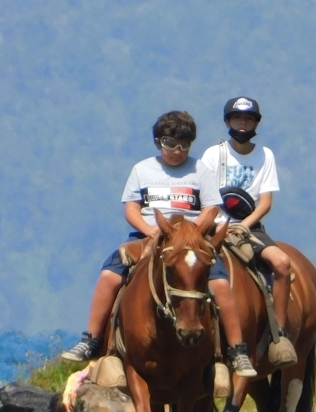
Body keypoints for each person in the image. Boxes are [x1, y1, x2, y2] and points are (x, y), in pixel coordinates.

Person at [61, 111, 257, 377]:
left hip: (191, 240)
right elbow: (131, 208)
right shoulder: (142, 170)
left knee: (220, 283)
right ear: (157, 142)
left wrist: (191, 234)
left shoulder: (200, 170)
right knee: (109, 275)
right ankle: (92, 340)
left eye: (184, 145)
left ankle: (237, 350)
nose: (177, 151)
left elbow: (211, 208)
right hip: (149, 236)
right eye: (169, 143)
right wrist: (149, 229)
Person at [198, 96, 297, 368]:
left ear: (256, 123)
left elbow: (265, 201)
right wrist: (217, 222)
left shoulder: (265, 155)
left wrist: (245, 224)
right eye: (238, 118)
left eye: (249, 118)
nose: (243, 123)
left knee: (282, 263)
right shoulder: (213, 154)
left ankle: (280, 334)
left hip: (249, 226)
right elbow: (204, 194)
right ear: (228, 121)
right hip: (213, 223)